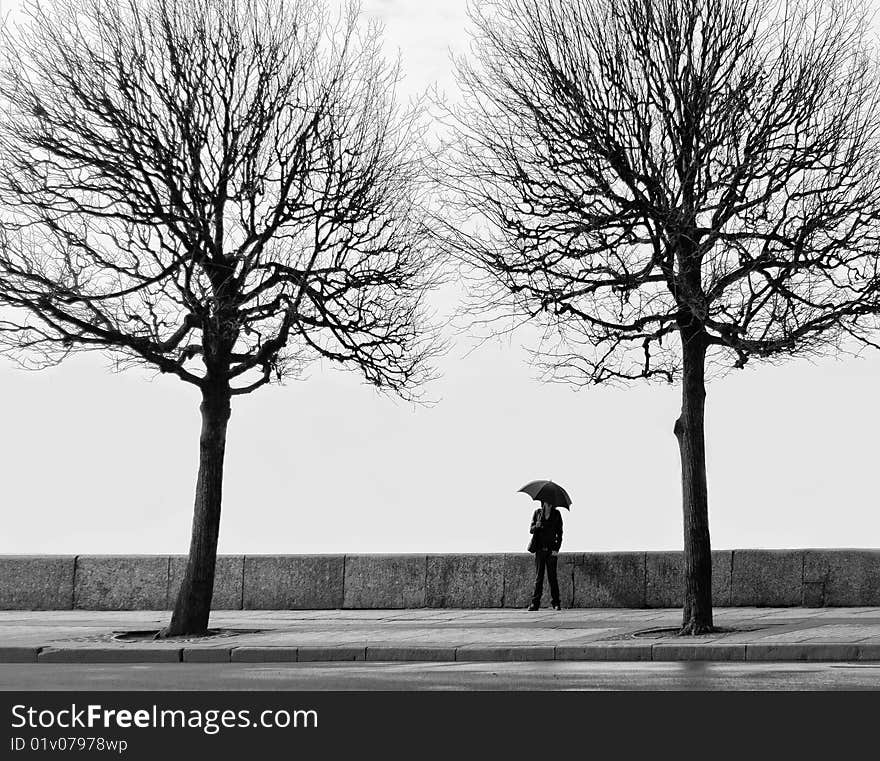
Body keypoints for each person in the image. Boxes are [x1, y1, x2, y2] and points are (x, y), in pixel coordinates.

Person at [527, 499, 563, 611]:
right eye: (546, 501)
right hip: (539, 550)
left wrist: (557, 549)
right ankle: (535, 603)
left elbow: (560, 533)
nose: (548, 503)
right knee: (539, 577)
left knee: (553, 578)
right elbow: (531, 530)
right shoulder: (537, 513)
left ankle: (556, 603)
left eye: (550, 501)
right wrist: (536, 526)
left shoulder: (556, 514)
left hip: (551, 550)